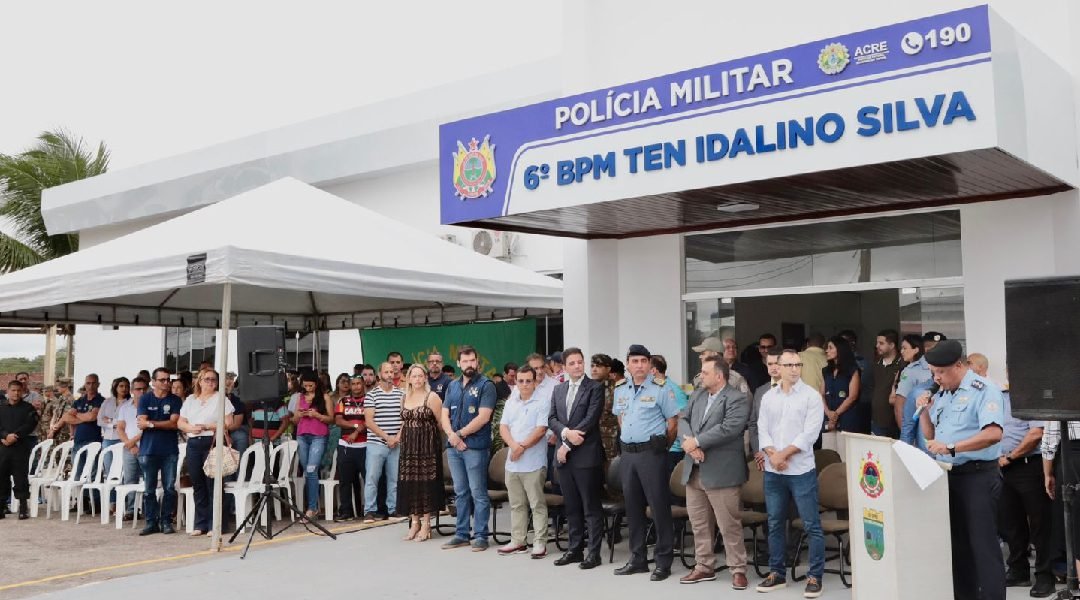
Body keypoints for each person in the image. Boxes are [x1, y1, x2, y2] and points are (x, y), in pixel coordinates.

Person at [916, 340, 1005, 600]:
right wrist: (924, 412)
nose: (936, 377)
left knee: (983, 547)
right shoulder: (943, 394)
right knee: (958, 547)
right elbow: (932, 436)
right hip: (949, 476)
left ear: (959, 365)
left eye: (941, 372)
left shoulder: (984, 389)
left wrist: (953, 447)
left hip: (978, 476)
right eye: (933, 372)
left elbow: (993, 433)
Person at [962, 354, 1052, 596]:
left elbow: (1036, 434)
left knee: (1039, 524)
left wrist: (1010, 457)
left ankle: (1045, 576)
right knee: (1010, 523)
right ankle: (1018, 571)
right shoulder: (999, 397)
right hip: (1001, 468)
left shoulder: (1033, 400)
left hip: (1027, 465)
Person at [756, 349, 826, 597]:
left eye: (798, 364)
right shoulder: (769, 397)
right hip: (775, 471)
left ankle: (815, 576)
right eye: (789, 365)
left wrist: (781, 455)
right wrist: (772, 454)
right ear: (779, 368)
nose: (794, 369)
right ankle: (777, 573)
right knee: (774, 522)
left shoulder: (811, 396)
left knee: (811, 524)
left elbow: (809, 435)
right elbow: (762, 429)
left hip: (800, 470)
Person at [678, 357, 750, 589]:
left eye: (705, 372)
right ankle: (704, 566)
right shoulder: (698, 395)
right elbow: (683, 418)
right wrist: (691, 444)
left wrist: (697, 442)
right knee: (699, 523)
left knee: (728, 524)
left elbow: (729, 428)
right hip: (695, 469)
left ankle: (738, 569)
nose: (700, 376)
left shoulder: (737, 398)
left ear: (719, 376)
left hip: (722, 471)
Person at [612, 344, 679, 581]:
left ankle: (663, 561)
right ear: (628, 364)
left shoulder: (661, 389)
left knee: (658, 508)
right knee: (633, 508)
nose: (639, 365)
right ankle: (637, 558)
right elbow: (621, 417)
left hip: (652, 454)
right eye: (634, 361)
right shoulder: (620, 389)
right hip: (628, 454)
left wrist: (662, 448)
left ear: (650, 364)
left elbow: (673, 422)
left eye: (643, 361)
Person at [547, 348, 605, 567]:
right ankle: (575, 549)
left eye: (580, 362)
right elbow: (552, 417)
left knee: (590, 506)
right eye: (572, 363)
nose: (577, 366)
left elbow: (590, 420)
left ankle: (594, 553)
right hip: (565, 456)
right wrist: (564, 434)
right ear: (564, 366)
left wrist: (567, 444)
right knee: (571, 506)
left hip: (585, 456)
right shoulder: (558, 389)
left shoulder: (595, 388)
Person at [441, 345, 497, 551]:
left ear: (477, 361)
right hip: (454, 447)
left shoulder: (486, 385)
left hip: (475, 447)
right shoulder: (452, 386)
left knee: (478, 492)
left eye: (472, 360)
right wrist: (451, 436)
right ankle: (461, 533)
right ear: (458, 363)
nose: (469, 364)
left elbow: (483, 417)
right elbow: (444, 414)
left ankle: (481, 535)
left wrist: (460, 435)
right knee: (460, 492)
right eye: (465, 361)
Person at [497, 364, 552, 558]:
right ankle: (518, 541)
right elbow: (503, 427)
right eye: (520, 381)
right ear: (516, 381)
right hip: (513, 462)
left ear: (535, 380)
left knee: (536, 504)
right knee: (516, 504)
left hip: (533, 463)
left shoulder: (543, 401)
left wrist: (521, 448)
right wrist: (514, 446)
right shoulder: (512, 401)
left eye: (529, 381)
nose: (525, 384)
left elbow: (540, 430)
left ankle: (540, 543)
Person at [178, 369, 233, 536]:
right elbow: (181, 422)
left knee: (213, 483)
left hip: (212, 440)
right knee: (197, 482)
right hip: (194, 441)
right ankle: (200, 523)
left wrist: (208, 426)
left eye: (213, 380)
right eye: (207, 379)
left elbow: (228, 422)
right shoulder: (190, 400)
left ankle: (215, 524)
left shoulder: (221, 398)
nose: (210, 382)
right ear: (199, 381)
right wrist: (190, 428)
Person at [398, 364, 445, 541]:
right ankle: (414, 521)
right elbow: (403, 422)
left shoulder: (431, 397)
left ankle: (426, 524)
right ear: (409, 378)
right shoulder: (404, 397)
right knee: (410, 482)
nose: (417, 379)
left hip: (427, 446)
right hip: (408, 446)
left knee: (426, 483)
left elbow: (441, 423)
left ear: (425, 378)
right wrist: (397, 438)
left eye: (420, 376)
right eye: (414, 376)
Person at [137, 367, 182, 535]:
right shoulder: (145, 399)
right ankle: (151, 522)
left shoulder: (175, 400)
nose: (166, 383)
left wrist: (151, 424)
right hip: (148, 450)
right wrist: (150, 424)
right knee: (149, 489)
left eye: (168, 380)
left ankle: (166, 521)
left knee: (169, 487)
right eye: (162, 380)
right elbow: (141, 421)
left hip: (169, 450)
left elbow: (173, 423)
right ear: (153, 382)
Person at [289, 371, 334, 519]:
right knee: (307, 471)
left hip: (318, 436)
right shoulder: (299, 397)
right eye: (305, 385)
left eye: (311, 385)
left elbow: (331, 419)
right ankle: (313, 506)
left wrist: (317, 415)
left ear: (316, 384)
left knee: (311, 469)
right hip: (302, 436)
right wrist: (299, 415)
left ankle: (312, 507)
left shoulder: (325, 396)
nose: (308, 388)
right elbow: (294, 421)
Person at [364, 362, 405, 522]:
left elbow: (404, 419)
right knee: (372, 478)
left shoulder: (401, 394)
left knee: (394, 478)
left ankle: (393, 509)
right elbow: (369, 421)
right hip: (376, 443)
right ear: (379, 375)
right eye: (386, 372)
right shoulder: (372, 395)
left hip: (396, 443)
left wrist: (397, 437)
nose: (389, 375)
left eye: (392, 372)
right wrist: (387, 438)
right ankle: (369, 510)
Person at [0, 379, 38, 519]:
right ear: (8, 391)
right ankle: (2, 506)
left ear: (22, 392)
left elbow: (30, 424)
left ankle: (23, 508)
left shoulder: (28, 408)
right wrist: (4, 436)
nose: (16, 393)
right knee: (1, 477)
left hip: (20, 447)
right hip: (3, 447)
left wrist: (15, 436)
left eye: (18, 391)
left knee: (20, 477)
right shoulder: (1, 407)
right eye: (13, 390)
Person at [333, 374, 367, 522]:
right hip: (345, 446)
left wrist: (357, 431)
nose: (356, 387)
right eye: (353, 384)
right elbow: (338, 420)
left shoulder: (369, 400)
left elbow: (369, 420)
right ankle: (346, 511)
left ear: (363, 385)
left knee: (369, 480)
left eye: (359, 384)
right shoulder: (343, 401)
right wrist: (355, 426)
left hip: (365, 446)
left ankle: (370, 510)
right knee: (345, 481)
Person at [820, 335, 862, 455]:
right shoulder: (826, 371)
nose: (827, 351)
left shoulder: (852, 370)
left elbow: (852, 396)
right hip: (828, 417)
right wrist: (828, 413)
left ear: (840, 349)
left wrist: (836, 414)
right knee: (828, 454)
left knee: (845, 456)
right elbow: (821, 394)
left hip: (847, 418)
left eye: (830, 347)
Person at [650, 354, 689, 480]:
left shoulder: (671, 389)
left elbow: (680, 420)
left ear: (653, 370)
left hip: (672, 449)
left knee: (669, 490)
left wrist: (667, 445)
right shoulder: (654, 388)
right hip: (658, 447)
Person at [65, 373, 104, 484]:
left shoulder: (101, 400)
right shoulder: (79, 401)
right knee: (78, 473)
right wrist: (84, 417)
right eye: (88, 383)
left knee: (93, 473)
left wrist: (77, 414)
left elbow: (92, 417)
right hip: (78, 441)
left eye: (93, 383)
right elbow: (67, 417)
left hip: (94, 441)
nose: (90, 386)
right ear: (85, 384)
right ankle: (80, 499)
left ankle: (95, 500)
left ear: (98, 384)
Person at [115, 377, 146, 518]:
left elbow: (148, 428)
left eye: (144, 389)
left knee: (148, 479)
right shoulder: (125, 407)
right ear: (133, 391)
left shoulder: (150, 405)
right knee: (129, 479)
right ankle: (131, 509)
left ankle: (147, 509)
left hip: (145, 446)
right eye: (138, 389)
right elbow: (120, 427)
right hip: (129, 448)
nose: (142, 392)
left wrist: (132, 442)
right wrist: (129, 444)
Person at [895, 334, 933, 448]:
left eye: (905, 348)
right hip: (920, 428)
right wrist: (908, 439)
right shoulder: (909, 371)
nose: (902, 351)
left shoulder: (930, 367)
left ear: (916, 349)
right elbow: (900, 406)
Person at [97, 377, 131, 498]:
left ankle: (123, 500)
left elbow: (128, 422)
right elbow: (100, 420)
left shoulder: (130, 403)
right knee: (109, 471)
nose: (124, 389)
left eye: (126, 386)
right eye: (121, 386)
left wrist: (110, 420)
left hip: (122, 438)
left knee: (122, 470)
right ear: (115, 387)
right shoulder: (107, 401)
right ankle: (112, 501)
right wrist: (114, 423)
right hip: (107, 439)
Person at [749, 348, 782, 465]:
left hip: (790, 458)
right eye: (770, 364)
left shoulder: (797, 390)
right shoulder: (760, 391)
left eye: (777, 363)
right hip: (763, 457)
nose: (773, 367)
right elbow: (753, 424)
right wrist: (759, 451)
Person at [870, 329, 902, 438]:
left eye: (881, 343)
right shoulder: (876, 364)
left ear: (892, 345)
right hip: (877, 420)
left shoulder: (903, 364)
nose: (877, 346)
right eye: (877, 343)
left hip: (896, 421)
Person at [590, 353, 620, 463]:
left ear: (608, 369)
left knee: (612, 471)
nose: (594, 369)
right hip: (591, 439)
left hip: (610, 439)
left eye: (598, 366)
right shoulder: (587, 388)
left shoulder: (617, 388)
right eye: (592, 366)